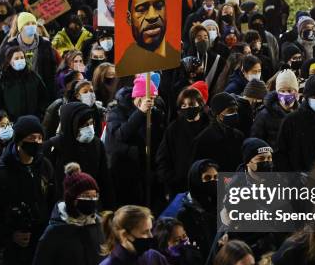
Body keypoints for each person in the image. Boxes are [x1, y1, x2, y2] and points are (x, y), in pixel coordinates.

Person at [0, 115, 55, 265]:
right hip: (15, 249)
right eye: (32, 138)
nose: (37, 143)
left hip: (41, 242)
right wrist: (10, 235)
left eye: (40, 138)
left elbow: (51, 202)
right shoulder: (1, 172)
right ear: (19, 140)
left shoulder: (44, 166)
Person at [105, 76, 165, 208]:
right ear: (138, 98)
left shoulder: (155, 113)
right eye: (149, 99)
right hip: (125, 173)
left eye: (153, 100)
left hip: (147, 172)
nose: (152, 103)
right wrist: (140, 113)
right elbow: (121, 135)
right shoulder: (117, 112)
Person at [44, 101, 114, 207]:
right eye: (85, 125)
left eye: (91, 124)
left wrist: (109, 206)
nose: (89, 128)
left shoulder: (96, 144)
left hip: (91, 204)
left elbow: (104, 178)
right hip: (62, 206)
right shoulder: (55, 146)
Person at [116, 0, 181, 76]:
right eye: (141, 9)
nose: (152, 16)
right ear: (129, 18)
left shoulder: (177, 61)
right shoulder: (123, 67)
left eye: (159, 6)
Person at [160, 159, 219, 259]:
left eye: (216, 177)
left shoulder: (217, 204)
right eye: (207, 178)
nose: (213, 182)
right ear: (196, 180)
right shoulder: (183, 212)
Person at [156, 87, 209, 198]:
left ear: (200, 105)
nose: (188, 109)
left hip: (207, 185)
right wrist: (171, 180)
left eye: (191, 105)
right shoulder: (173, 128)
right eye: (184, 106)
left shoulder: (210, 127)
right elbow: (163, 158)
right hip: (179, 188)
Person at [0, 12, 58, 101]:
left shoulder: (45, 44)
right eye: (27, 24)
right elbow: (2, 69)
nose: (31, 26)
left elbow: (51, 71)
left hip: (40, 90)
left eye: (33, 23)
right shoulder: (11, 46)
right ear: (20, 27)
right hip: (18, 91)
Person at [0, 46, 48, 121]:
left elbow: (43, 98)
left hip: (33, 122)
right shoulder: (0, 79)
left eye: (22, 57)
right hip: (10, 124)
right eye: (16, 58)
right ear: (9, 61)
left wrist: (39, 115)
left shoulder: (33, 76)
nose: (20, 60)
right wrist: (4, 119)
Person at [192, 92, 244, 172]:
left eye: (236, 110)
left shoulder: (239, 135)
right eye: (230, 110)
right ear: (218, 114)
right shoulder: (204, 139)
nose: (235, 114)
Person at [251, 70, 299, 150]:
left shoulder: (300, 113)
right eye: (282, 91)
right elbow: (255, 143)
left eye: (290, 90)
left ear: (296, 92)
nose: (286, 94)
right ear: (277, 92)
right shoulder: (264, 115)